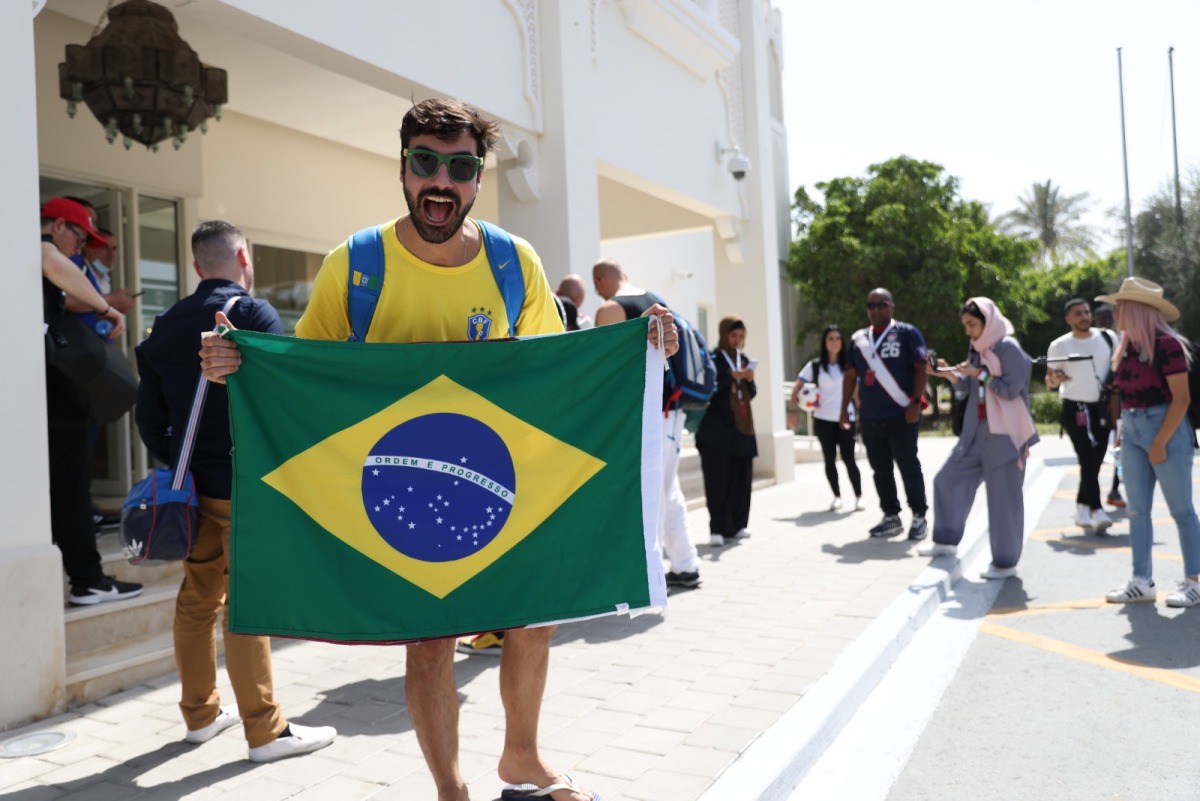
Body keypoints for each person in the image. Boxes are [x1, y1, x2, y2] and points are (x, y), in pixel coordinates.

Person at [200, 98, 677, 801]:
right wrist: (237, 365)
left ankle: (522, 760)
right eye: (426, 162)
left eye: (460, 167)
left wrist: (639, 347)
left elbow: (556, 376)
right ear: (403, 168)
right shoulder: (355, 264)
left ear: (479, 177)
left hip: (498, 480)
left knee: (534, 617)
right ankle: (451, 791)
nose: (441, 181)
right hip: (402, 489)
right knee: (428, 642)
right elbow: (303, 381)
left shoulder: (514, 262)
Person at [135, 220, 337, 763]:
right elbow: (279, 399)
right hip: (242, 484)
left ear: (197, 266)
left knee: (197, 599)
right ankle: (266, 731)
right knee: (247, 602)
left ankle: (200, 716)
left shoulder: (165, 324)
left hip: (190, 490)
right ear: (244, 258)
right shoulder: (251, 313)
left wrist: (181, 464)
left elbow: (149, 419)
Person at [40, 197, 140, 605]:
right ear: (57, 226)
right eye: (79, 239)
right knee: (71, 492)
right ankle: (88, 580)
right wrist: (107, 307)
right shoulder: (40, 247)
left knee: (63, 490)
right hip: (59, 396)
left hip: (49, 393)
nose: (78, 249)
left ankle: (84, 578)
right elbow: (51, 261)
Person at [593, 257, 709, 588]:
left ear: (600, 282)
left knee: (651, 491)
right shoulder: (657, 300)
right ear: (624, 274)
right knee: (667, 487)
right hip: (671, 409)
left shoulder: (611, 309)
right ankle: (685, 564)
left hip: (645, 412)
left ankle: (649, 575)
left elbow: (605, 368)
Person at [1097, 278, 1200, 607]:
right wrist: (1123, 436)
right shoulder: (1125, 346)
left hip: (1166, 428)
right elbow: (1126, 398)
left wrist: (1159, 442)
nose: (1115, 314)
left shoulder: (1168, 345)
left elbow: (1181, 400)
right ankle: (1141, 581)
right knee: (1137, 511)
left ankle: (1194, 581)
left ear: (1137, 309)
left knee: (1182, 511)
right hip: (1133, 431)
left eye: (1120, 307)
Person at [920, 299, 1038, 579]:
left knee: (1003, 500)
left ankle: (1005, 564)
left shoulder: (1009, 348)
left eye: (972, 324)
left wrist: (981, 374)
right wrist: (948, 374)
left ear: (988, 321)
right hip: (976, 432)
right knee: (947, 480)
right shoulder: (977, 348)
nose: (968, 331)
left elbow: (1011, 389)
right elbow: (968, 387)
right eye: (965, 326)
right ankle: (946, 541)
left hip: (1005, 435)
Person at [839, 288, 930, 540]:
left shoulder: (906, 333)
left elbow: (921, 368)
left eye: (881, 305)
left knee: (908, 465)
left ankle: (919, 515)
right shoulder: (859, 339)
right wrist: (844, 409)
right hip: (871, 416)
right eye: (871, 306)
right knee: (880, 470)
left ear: (892, 306)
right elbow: (850, 376)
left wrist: (915, 402)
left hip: (902, 414)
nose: (876, 310)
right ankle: (891, 516)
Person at [1045, 298, 1117, 532]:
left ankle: (1081, 506)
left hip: (1104, 408)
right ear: (1068, 319)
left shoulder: (1108, 337)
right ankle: (1097, 510)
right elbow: (1050, 380)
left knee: (1095, 459)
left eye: (1086, 312)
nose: (1085, 317)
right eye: (1078, 313)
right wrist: (1055, 379)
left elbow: (1118, 369)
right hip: (1075, 408)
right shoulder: (1059, 345)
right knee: (1087, 457)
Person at [696, 316, 758, 543]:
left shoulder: (744, 360)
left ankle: (739, 524)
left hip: (742, 429)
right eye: (733, 335)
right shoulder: (712, 359)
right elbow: (708, 388)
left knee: (742, 478)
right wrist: (729, 376)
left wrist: (748, 380)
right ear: (724, 335)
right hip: (716, 432)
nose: (737, 340)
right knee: (718, 480)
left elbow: (750, 394)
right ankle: (718, 529)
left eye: (741, 336)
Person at [792, 324, 863, 511]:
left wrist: (861, 414)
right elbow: (797, 387)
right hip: (823, 419)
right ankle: (837, 496)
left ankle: (858, 496)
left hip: (846, 417)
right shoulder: (815, 365)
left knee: (849, 458)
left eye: (837, 338)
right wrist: (792, 411)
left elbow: (856, 392)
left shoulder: (849, 364)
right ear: (824, 342)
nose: (834, 342)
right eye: (830, 338)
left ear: (842, 342)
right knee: (829, 459)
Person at [1092, 303, 1126, 508]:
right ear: (1094, 319)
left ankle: (1115, 489)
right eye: (1102, 318)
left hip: (1115, 402)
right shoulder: (1090, 340)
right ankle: (1090, 493)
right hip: (1093, 402)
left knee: (1119, 447)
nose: (1106, 322)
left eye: (1109, 318)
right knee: (1096, 450)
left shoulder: (1117, 339)